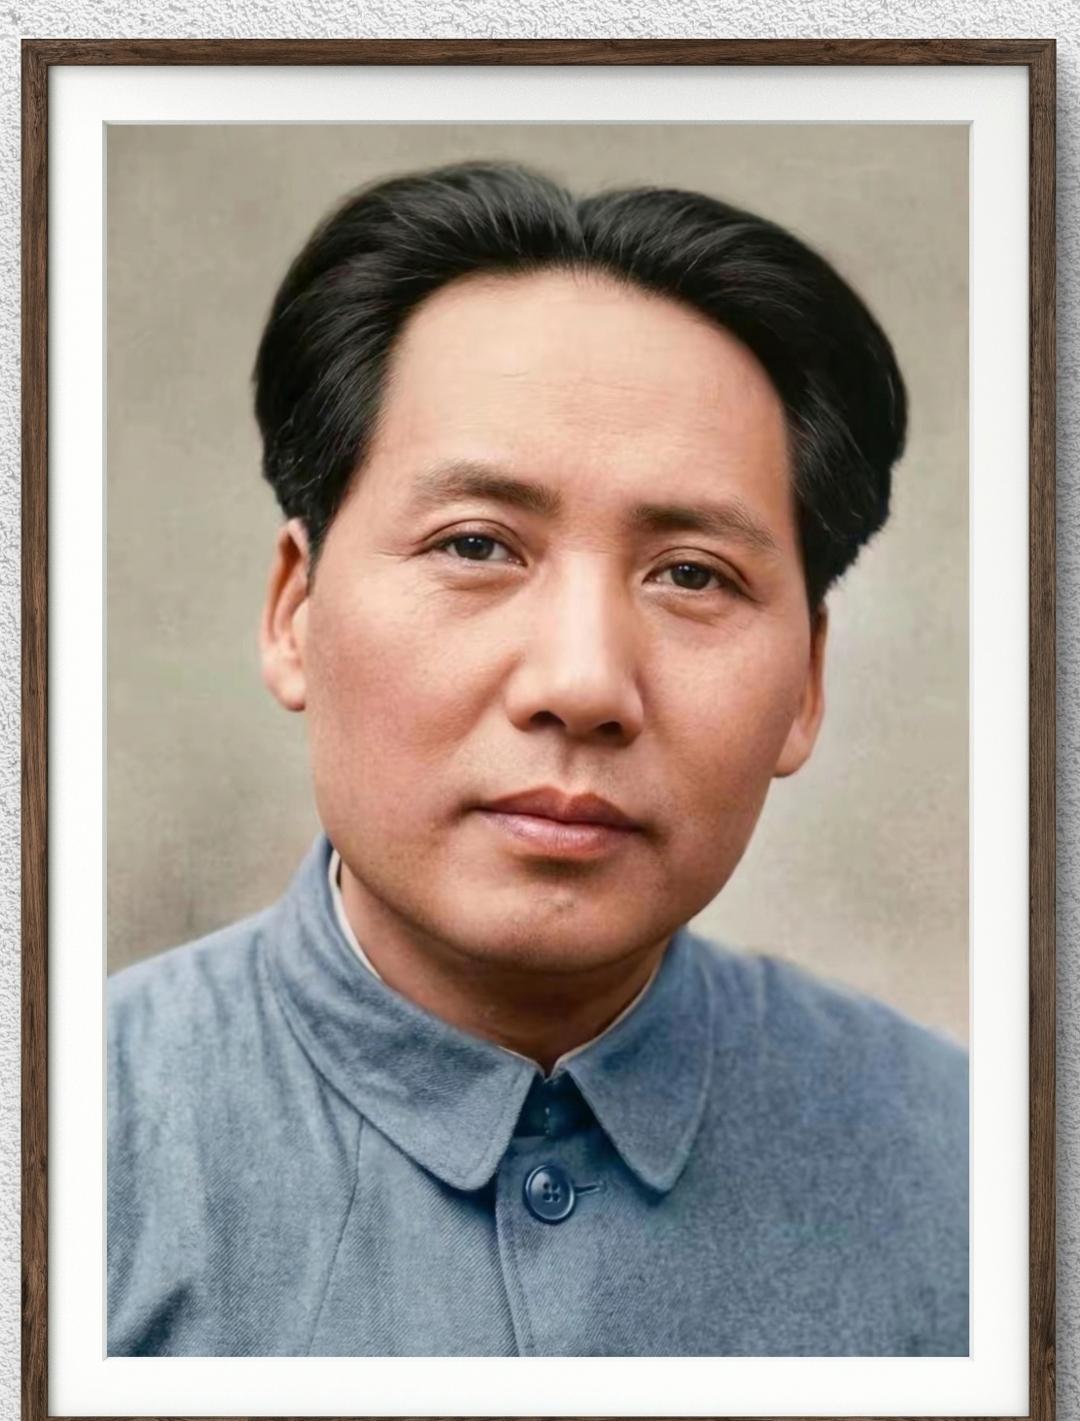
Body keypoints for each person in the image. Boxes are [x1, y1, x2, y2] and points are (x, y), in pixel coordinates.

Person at [107, 161, 967, 1357]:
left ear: (807, 684)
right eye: (476, 545)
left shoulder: (976, 1173)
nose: (582, 683)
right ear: (294, 611)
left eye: (692, 574)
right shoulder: (67, 1147)